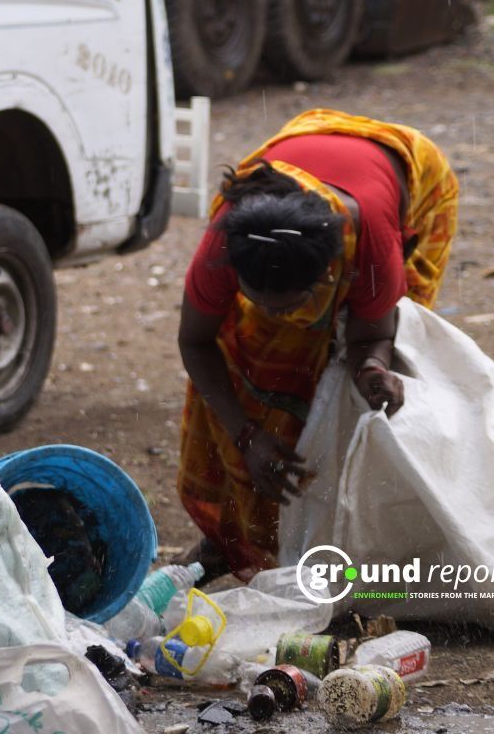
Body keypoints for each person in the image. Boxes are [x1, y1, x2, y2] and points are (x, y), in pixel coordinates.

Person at [177, 109, 459, 582]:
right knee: (251, 356)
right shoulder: (229, 241)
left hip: (408, 175)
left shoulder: (370, 246)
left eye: (289, 307)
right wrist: (246, 436)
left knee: (324, 383)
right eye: (255, 299)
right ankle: (230, 539)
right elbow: (196, 340)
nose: (274, 317)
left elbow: (373, 336)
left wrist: (372, 368)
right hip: (312, 155)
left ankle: (333, 540)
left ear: (332, 272)